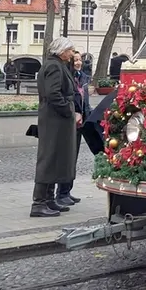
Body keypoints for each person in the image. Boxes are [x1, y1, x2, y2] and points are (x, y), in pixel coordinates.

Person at [31, 38, 81, 218]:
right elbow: (53, 93)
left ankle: (49, 200)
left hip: (56, 119)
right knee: (49, 159)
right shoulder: (54, 66)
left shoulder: (56, 65)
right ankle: (39, 203)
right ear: (61, 50)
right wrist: (68, 110)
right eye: (70, 50)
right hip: (55, 120)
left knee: (55, 158)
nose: (72, 53)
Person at [56, 50, 93, 206]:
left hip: (80, 123)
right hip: (69, 122)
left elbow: (86, 102)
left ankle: (67, 191)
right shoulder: (69, 78)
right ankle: (60, 193)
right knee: (66, 159)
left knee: (73, 159)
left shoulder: (83, 78)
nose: (78, 62)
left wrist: (89, 116)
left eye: (80, 60)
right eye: (75, 60)